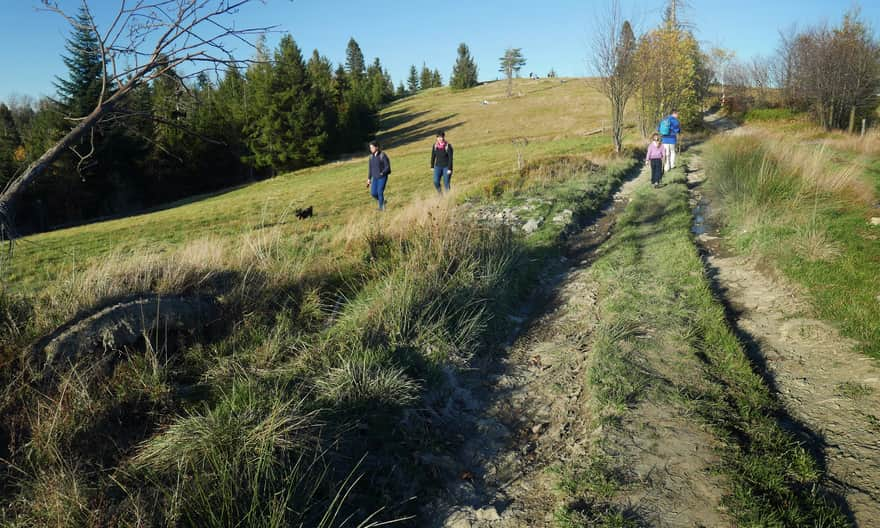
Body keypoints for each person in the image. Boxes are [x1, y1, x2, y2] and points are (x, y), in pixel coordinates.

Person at [367, 140, 391, 211]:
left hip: (382, 177)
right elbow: (370, 169)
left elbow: (387, 167)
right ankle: (382, 201)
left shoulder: (382, 155)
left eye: (372, 147)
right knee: (373, 193)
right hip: (375, 178)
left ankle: (382, 207)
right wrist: (369, 179)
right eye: (370, 148)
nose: (371, 149)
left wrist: (382, 173)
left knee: (380, 191)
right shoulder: (371, 157)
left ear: (376, 147)